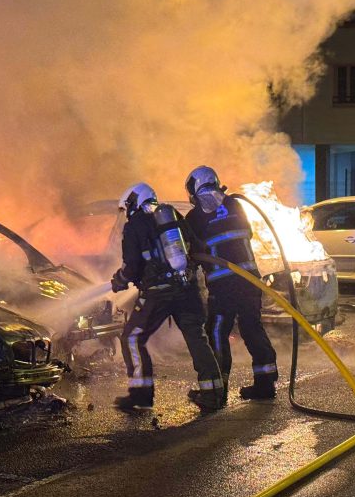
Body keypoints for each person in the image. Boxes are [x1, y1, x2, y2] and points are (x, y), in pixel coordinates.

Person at [110, 183, 226, 411]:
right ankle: (213, 394)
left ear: (134, 202)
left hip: (158, 293)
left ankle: (141, 395)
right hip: (187, 289)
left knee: (132, 338)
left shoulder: (135, 226)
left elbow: (131, 266)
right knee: (197, 338)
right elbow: (198, 247)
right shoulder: (172, 215)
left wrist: (119, 280)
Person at [184, 166, 278, 400]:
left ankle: (217, 388)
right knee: (252, 328)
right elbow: (248, 235)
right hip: (249, 281)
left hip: (223, 285)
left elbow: (191, 252)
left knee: (216, 331)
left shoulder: (194, 217)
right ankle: (265, 385)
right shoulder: (235, 204)